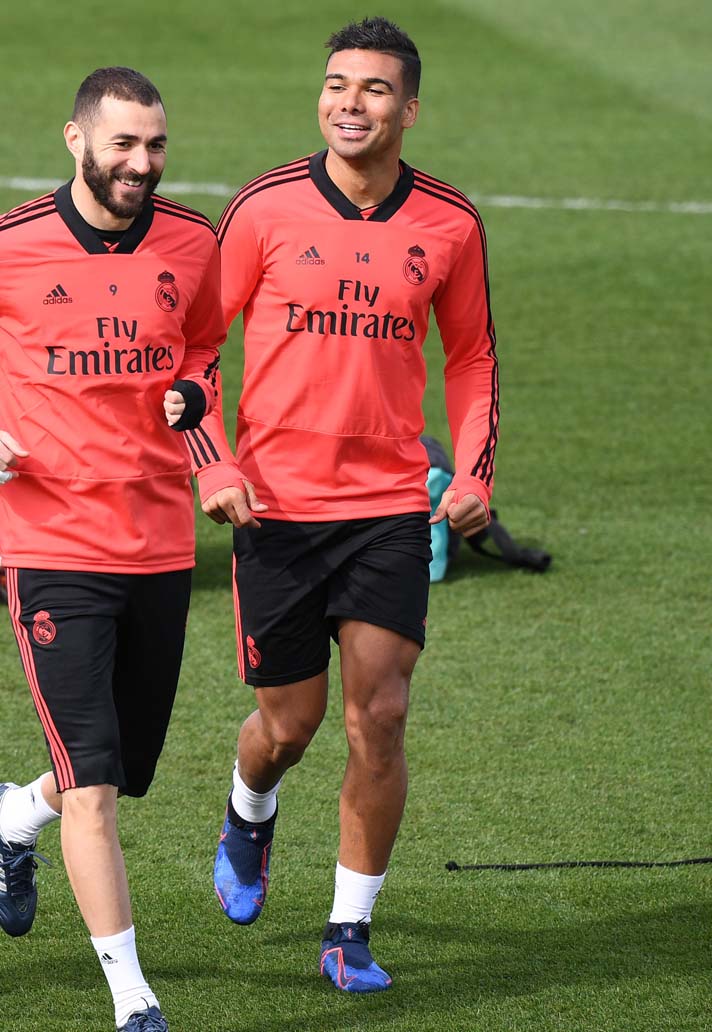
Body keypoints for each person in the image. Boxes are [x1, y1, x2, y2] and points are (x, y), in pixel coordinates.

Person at [183, 16, 499, 993]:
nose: (349, 103)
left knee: (380, 717)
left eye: (372, 89)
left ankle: (348, 930)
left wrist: (475, 475)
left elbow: (473, 358)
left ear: (409, 108)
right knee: (288, 727)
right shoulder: (263, 209)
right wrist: (212, 465)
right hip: (275, 511)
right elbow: (195, 350)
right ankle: (249, 814)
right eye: (335, 85)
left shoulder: (450, 223)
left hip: (389, 509)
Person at [0, 67, 225, 1032]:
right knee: (95, 788)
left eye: (155, 145)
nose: (141, 163)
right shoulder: (12, 245)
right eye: (124, 144)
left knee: (119, 761)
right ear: (76, 139)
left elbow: (205, 346)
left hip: (159, 542)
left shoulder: (194, 242)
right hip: (48, 540)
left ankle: (12, 820)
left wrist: (196, 392)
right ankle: (134, 1001)